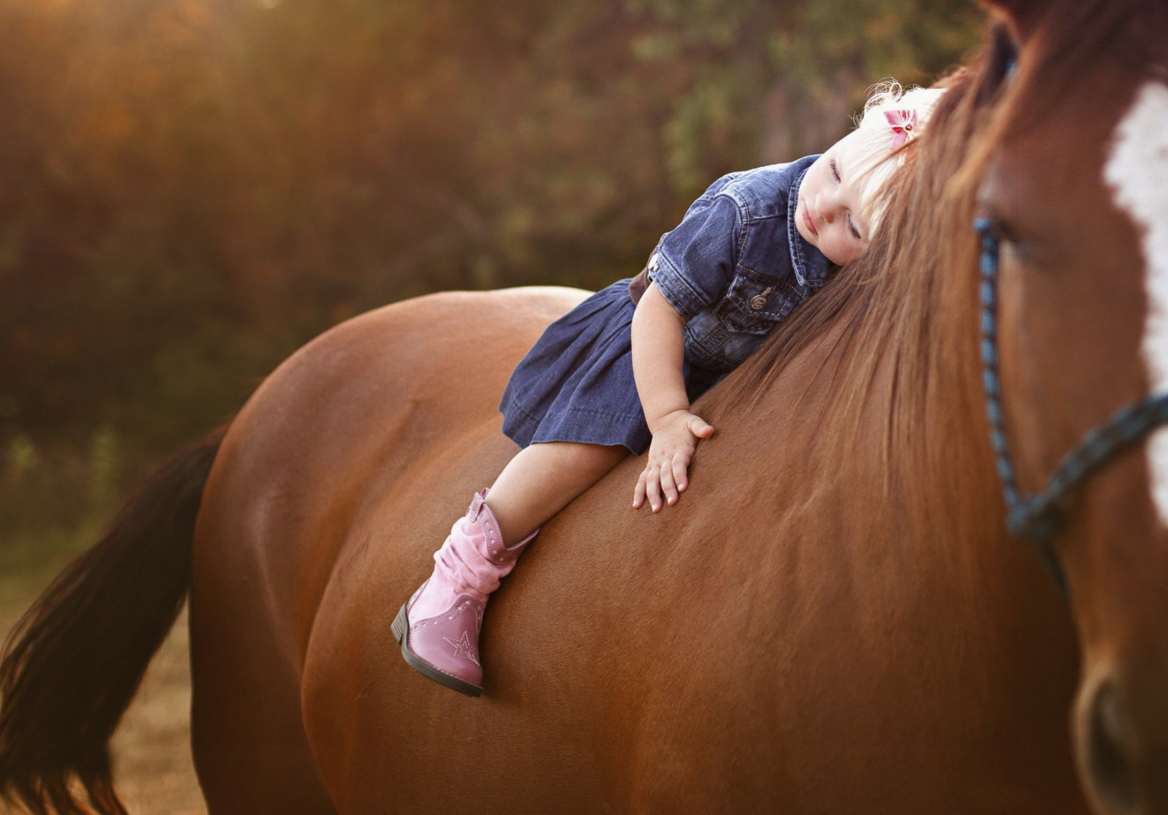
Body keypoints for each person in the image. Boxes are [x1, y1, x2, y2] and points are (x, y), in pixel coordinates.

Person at [390, 83, 945, 696]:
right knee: (586, 451)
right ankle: (455, 582)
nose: (826, 205)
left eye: (855, 226)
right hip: (649, 348)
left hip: (734, 377)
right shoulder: (746, 209)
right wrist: (667, 414)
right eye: (836, 171)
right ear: (850, 132)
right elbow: (660, 309)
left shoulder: (858, 268)